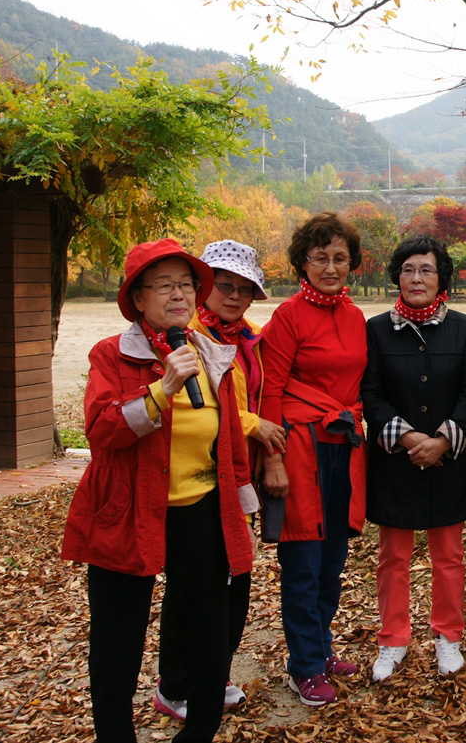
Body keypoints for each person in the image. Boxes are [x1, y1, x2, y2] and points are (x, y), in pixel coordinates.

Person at [61, 238, 257, 743]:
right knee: (118, 636)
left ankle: (199, 731)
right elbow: (101, 430)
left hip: (201, 509)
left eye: (186, 285)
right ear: (138, 298)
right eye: (164, 285)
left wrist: (242, 504)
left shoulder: (210, 352)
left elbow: (228, 438)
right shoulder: (112, 354)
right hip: (128, 509)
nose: (179, 295)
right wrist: (161, 388)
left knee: (208, 630)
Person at [153, 240, 286, 721]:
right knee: (194, 586)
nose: (233, 296)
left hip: (240, 474)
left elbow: (260, 396)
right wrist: (254, 426)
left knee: (233, 579)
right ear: (204, 288)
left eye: (244, 289)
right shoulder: (184, 337)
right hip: (199, 479)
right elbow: (211, 408)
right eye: (224, 286)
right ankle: (177, 683)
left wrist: (267, 454)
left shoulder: (251, 338)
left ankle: (213, 674)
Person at [362, 236, 466, 681]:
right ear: (398, 276)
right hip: (396, 462)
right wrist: (410, 438)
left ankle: (448, 636)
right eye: (408, 269)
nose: (416, 278)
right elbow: (370, 393)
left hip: (448, 461)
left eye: (426, 270)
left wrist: (444, 441)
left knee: (449, 555)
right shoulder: (376, 329)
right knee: (393, 557)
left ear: (440, 278)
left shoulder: (463, 327)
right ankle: (392, 639)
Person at [260, 212, 368, 706]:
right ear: (303, 262)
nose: (330, 267)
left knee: (332, 560)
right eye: (320, 257)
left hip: (343, 447)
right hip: (300, 446)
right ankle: (303, 666)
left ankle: (321, 649)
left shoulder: (354, 317)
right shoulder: (288, 316)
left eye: (339, 258)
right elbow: (270, 391)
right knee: (302, 562)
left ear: (351, 263)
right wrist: (272, 460)